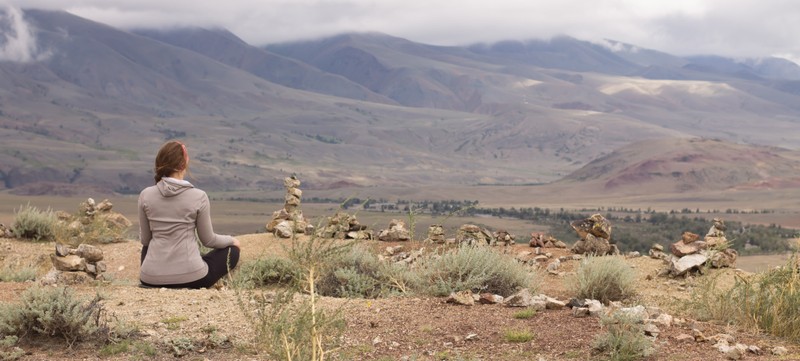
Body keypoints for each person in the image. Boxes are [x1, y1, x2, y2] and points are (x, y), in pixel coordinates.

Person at [138, 140, 240, 288]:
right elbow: (209, 240)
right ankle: (187, 269)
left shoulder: (145, 195)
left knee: (149, 245)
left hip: (150, 279)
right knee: (233, 252)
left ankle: (158, 274)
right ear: (183, 164)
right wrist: (232, 241)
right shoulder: (199, 196)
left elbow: (146, 240)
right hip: (192, 278)